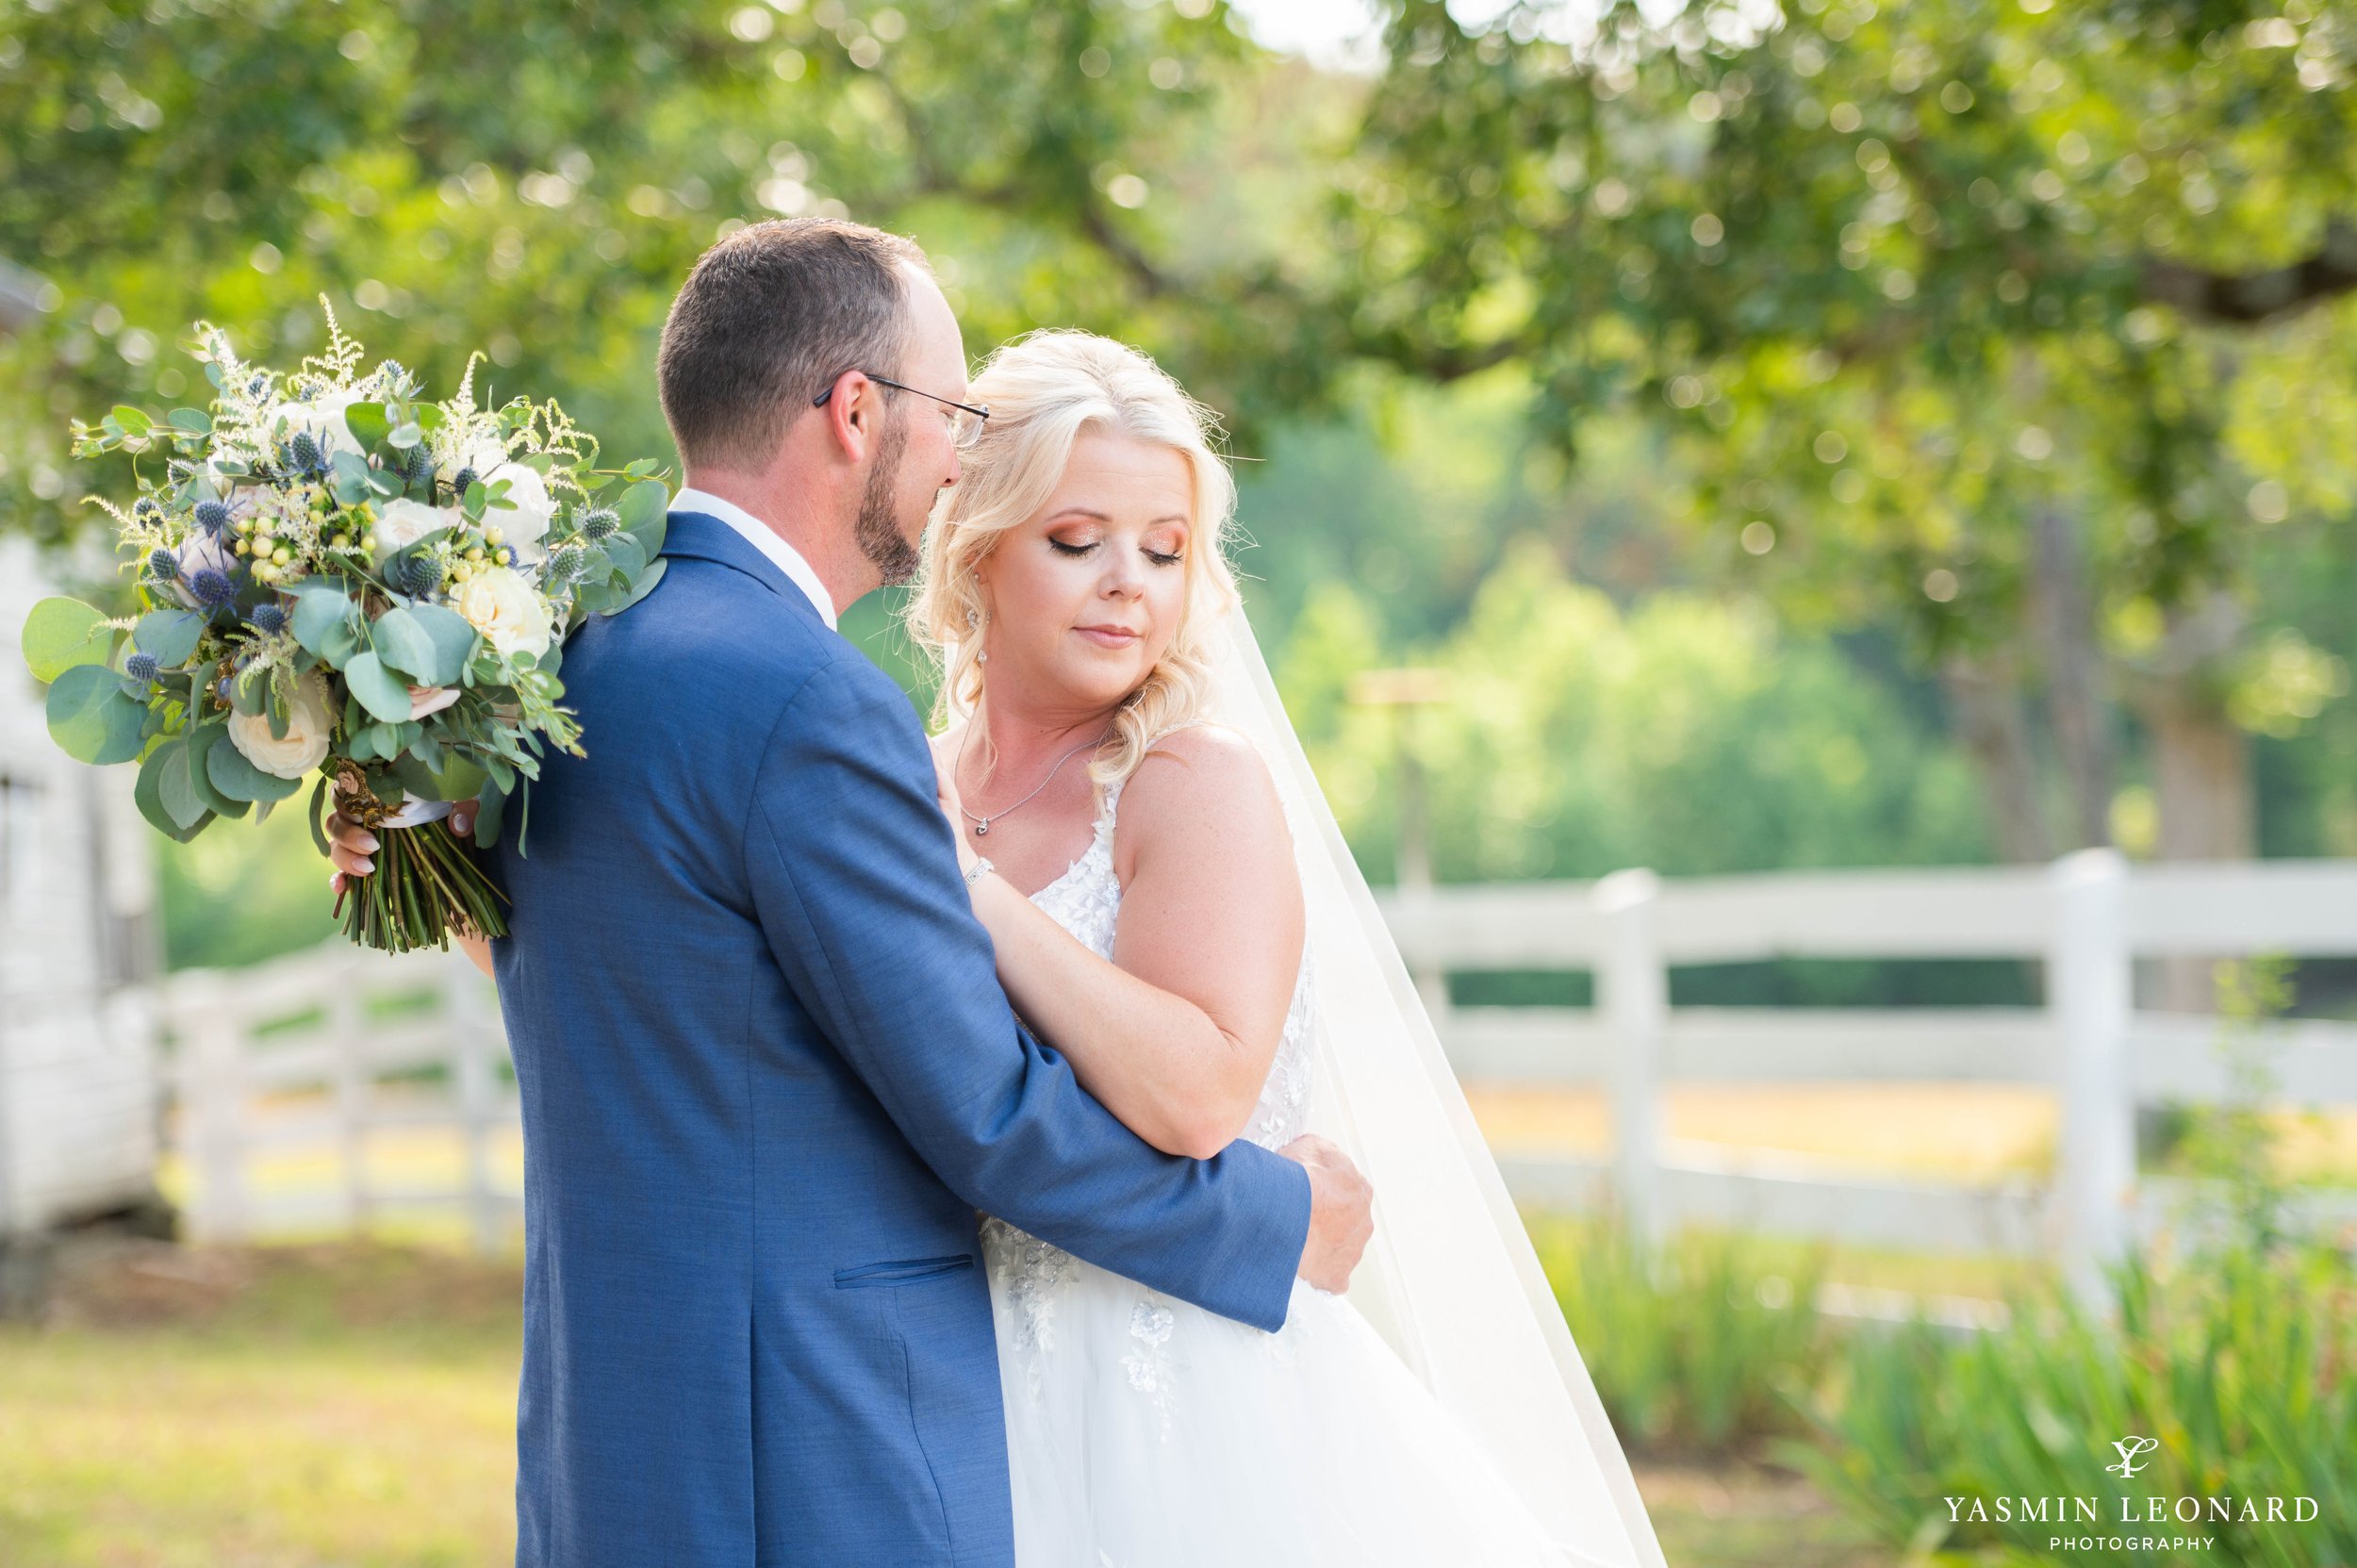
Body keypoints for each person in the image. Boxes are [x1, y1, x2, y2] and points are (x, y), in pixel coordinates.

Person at [329, 218, 1372, 1568]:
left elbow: (652, 983)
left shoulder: (570, 667)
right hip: (811, 1451)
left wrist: (423, 844)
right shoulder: (809, 701)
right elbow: (987, 1114)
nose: (955, 452)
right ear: (855, 411)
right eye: (945, 410)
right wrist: (1272, 1222)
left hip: (619, 1438)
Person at [903, 328, 1666, 1568]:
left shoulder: (1186, 780)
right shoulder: (914, 785)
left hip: (1189, 1391)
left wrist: (972, 889)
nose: (1129, 585)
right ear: (978, 549)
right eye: (1076, 539)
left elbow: (1199, 1093)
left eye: (1164, 549)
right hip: (970, 1381)